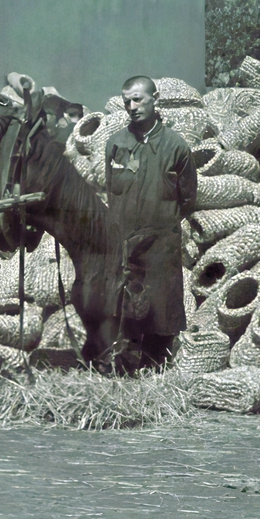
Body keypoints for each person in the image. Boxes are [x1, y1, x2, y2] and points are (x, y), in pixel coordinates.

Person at [87, 75, 196, 375]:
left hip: (161, 247)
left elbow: (188, 199)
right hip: (123, 245)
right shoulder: (116, 145)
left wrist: (161, 223)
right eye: (127, 102)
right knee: (124, 312)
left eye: (138, 99)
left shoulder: (176, 147)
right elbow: (112, 191)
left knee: (161, 315)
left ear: (155, 98)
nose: (132, 107)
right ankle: (123, 373)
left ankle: (155, 374)